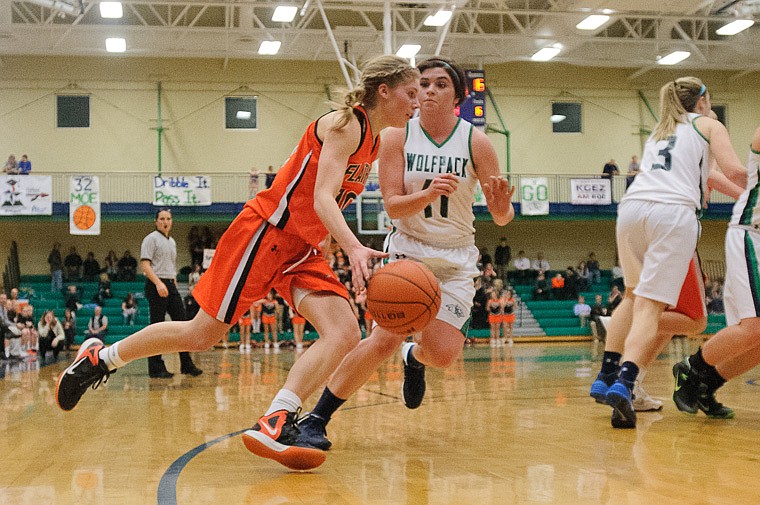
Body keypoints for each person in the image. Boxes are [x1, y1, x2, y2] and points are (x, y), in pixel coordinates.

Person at [55, 55, 421, 472]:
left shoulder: (375, 141)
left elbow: (323, 207)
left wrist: (337, 246)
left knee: (343, 331)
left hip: (302, 248)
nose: (417, 102)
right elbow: (321, 197)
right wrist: (354, 246)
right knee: (201, 335)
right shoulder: (346, 124)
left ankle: (278, 417)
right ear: (384, 90)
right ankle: (101, 359)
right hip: (265, 234)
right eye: (411, 93)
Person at [294, 57, 514, 453]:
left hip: (456, 256)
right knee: (382, 340)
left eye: (440, 85)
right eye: (423, 84)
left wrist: (501, 207)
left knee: (443, 356)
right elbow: (393, 206)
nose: (428, 91)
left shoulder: (476, 142)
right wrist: (429, 194)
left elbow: (501, 217)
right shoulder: (396, 136)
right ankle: (317, 418)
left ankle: (415, 357)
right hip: (408, 251)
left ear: (458, 98)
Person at [587, 76, 746, 429]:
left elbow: (715, 176)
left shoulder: (662, 129)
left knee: (632, 296)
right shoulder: (709, 123)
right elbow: (734, 169)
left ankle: (607, 373)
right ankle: (627, 381)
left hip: (631, 210)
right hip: (672, 215)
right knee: (653, 307)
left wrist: (744, 196)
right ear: (703, 101)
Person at [672, 126, 760, 420]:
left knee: (756, 338)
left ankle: (706, 385)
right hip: (751, 234)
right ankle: (690, 368)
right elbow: (736, 170)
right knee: (753, 327)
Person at [140, 209, 203, 379]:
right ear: (156, 221)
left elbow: (170, 265)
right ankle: (155, 367)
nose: (165, 221)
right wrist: (159, 283)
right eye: (162, 219)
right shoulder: (151, 239)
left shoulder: (172, 241)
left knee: (183, 324)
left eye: (168, 218)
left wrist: (173, 281)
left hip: (170, 284)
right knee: (157, 328)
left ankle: (186, 364)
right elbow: (145, 265)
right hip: (156, 284)